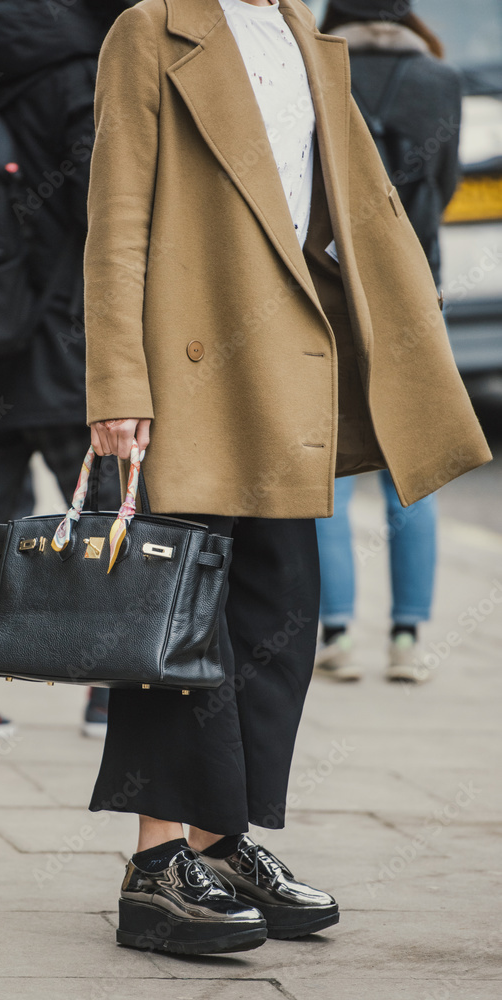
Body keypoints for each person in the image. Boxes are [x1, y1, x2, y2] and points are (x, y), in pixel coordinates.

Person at [82, 0, 491, 955]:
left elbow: (349, 212)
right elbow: (116, 217)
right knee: (176, 620)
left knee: (278, 612)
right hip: (188, 373)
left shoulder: (304, 35)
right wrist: (118, 381)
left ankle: (221, 845)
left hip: (289, 367)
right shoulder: (153, 27)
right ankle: (154, 868)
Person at [0, 0, 124, 742]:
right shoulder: (84, 69)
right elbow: (101, 205)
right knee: (103, 507)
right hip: (66, 328)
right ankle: (107, 691)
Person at [313, 0, 461, 683]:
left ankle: (337, 635)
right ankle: (406, 639)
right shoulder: (440, 80)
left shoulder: (317, 68)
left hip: (329, 291)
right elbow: (444, 182)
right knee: (415, 468)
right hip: (415, 289)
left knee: (328, 467)